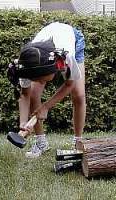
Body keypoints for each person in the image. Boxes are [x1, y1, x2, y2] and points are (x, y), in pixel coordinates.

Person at [16, 22, 86, 158]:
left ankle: (78, 143)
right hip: (46, 48)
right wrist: (23, 122)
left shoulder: (67, 57)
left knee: (79, 95)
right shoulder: (26, 65)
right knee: (33, 95)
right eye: (38, 80)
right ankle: (41, 143)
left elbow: (69, 84)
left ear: (53, 67)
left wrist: (46, 107)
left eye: (43, 79)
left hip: (72, 37)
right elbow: (25, 95)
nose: (42, 83)